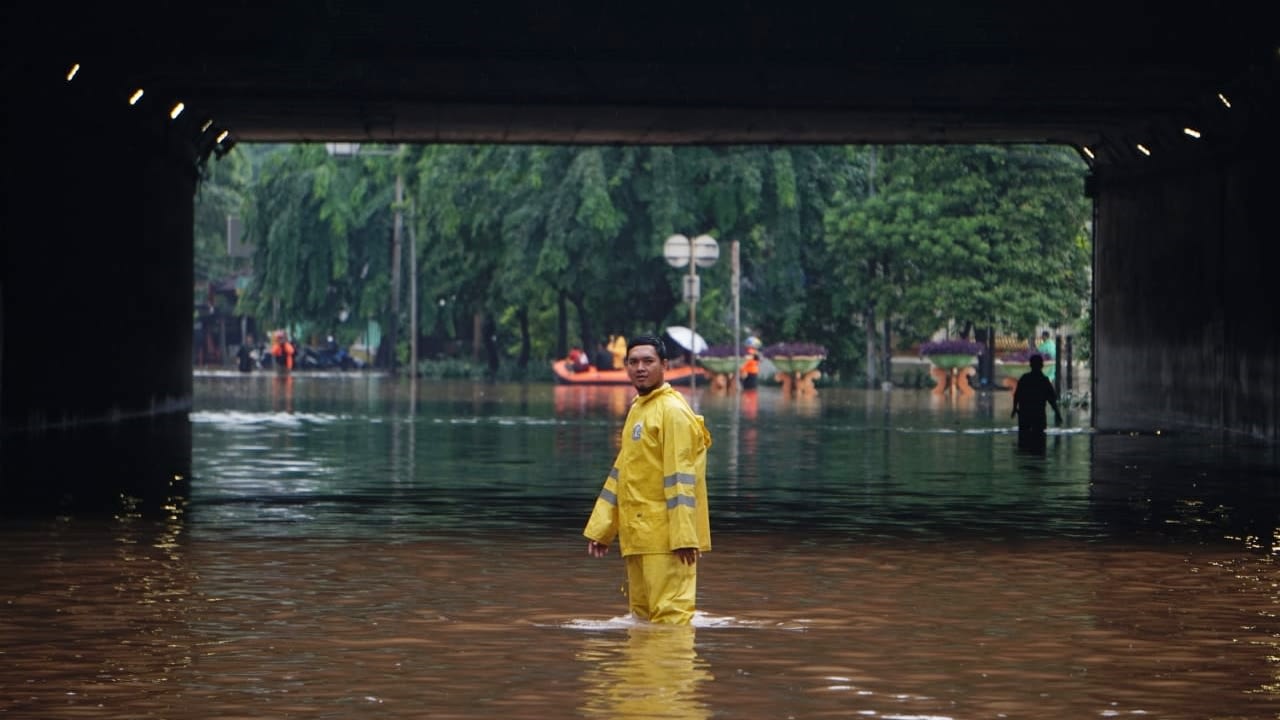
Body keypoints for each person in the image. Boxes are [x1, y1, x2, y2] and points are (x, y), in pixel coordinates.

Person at [584, 335, 713, 625]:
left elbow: (682, 480)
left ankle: (672, 671)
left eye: (648, 361)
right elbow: (622, 473)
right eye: (633, 362)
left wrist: (683, 537)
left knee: (671, 620)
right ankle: (641, 672)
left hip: (667, 542)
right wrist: (603, 528)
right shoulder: (638, 409)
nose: (640, 368)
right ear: (626, 366)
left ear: (664, 365)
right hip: (639, 537)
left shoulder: (673, 412)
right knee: (641, 622)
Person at [1011, 353, 1062, 449]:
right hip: (1039, 417)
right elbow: (1052, 400)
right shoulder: (1044, 380)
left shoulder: (1024, 378)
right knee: (1039, 441)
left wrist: (1014, 408)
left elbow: (1017, 395)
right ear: (1042, 366)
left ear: (1030, 365)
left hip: (1024, 415)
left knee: (1024, 441)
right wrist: (1058, 414)